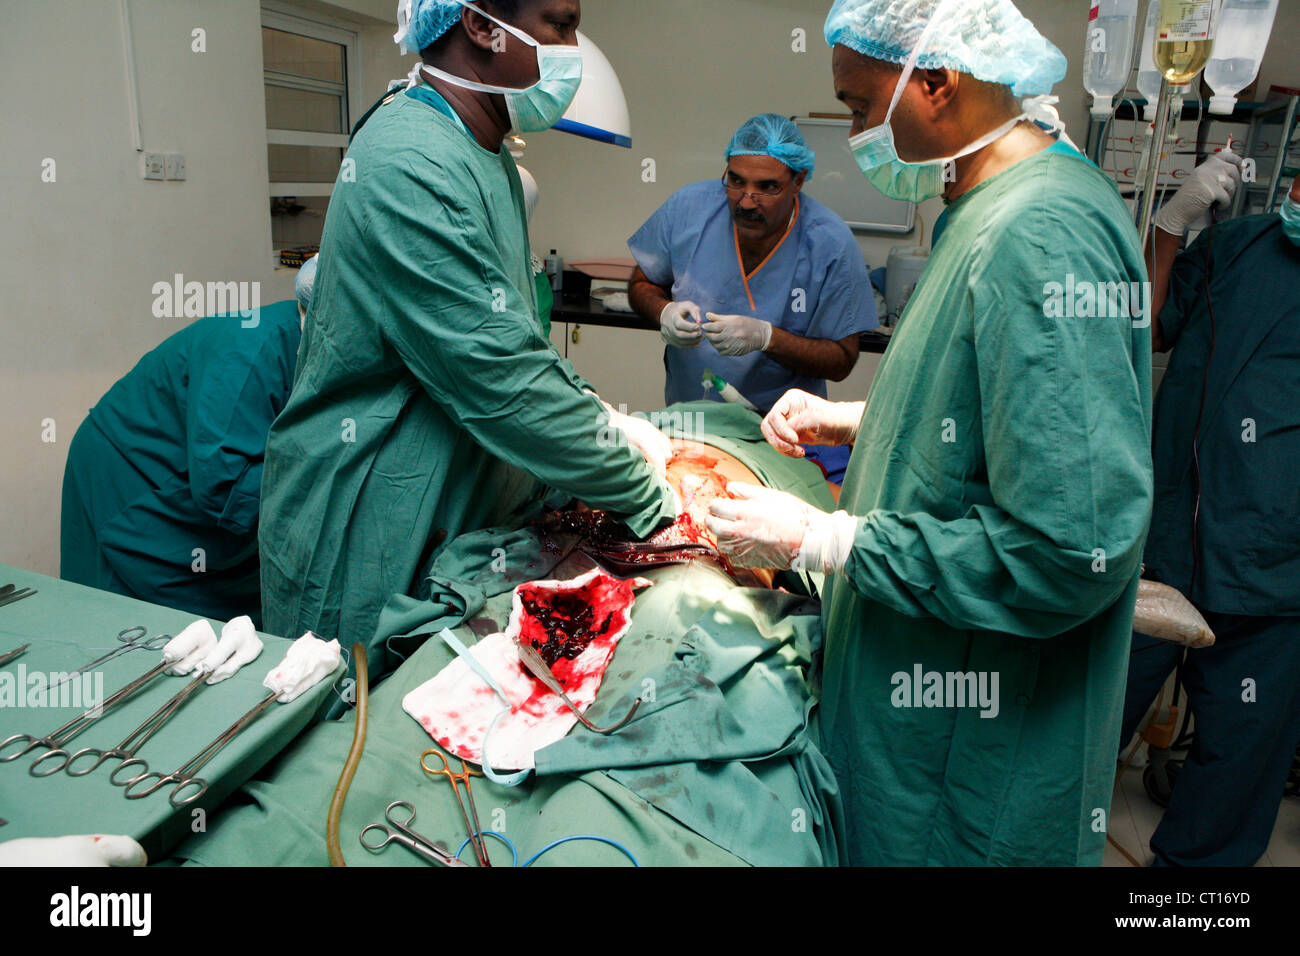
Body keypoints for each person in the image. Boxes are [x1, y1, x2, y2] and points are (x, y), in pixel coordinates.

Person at [706, 0, 1153, 865]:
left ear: (938, 83)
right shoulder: (992, 204)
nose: (856, 131)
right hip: (913, 708)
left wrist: (828, 538)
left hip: (970, 756)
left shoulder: (1041, 233)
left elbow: (1072, 542)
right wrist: (870, 413)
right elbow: (1013, 412)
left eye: (859, 106)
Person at [258, 0, 676, 679]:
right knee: (357, 733)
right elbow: (500, 378)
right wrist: (647, 495)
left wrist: (596, 419)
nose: (575, 49)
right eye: (561, 24)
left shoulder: (486, 157)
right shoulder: (409, 159)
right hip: (372, 524)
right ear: (482, 26)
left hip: (455, 513)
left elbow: (512, 337)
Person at [1118, 169, 1300, 866]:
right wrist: (1168, 229)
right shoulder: (1240, 246)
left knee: (1232, 778)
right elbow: (1144, 327)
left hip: (1274, 575)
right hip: (1166, 551)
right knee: (1076, 726)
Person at [627, 113, 878, 483]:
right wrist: (663, 311)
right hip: (692, 430)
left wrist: (768, 338)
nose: (746, 201)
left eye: (767, 187)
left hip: (786, 442)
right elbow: (640, 282)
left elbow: (841, 359)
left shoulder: (830, 244)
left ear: (799, 181)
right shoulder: (689, 210)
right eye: (736, 181)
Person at [59, 265, 312, 626]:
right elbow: (224, 486)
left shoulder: (319, 348)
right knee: (121, 620)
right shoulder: (253, 347)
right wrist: (318, 494)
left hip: (195, 475)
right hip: (128, 473)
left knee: (229, 620)